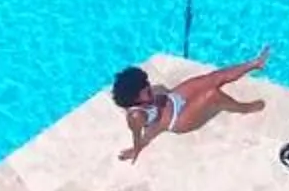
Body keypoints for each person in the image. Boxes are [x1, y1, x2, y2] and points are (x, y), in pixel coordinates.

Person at [113, 47, 271, 162]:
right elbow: (137, 134)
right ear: (134, 100)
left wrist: (161, 95)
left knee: (213, 78)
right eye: (146, 91)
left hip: (173, 98)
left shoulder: (146, 93)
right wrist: (136, 149)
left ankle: (255, 64)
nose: (150, 89)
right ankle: (245, 108)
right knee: (212, 95)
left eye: (148, 85)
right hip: (178, 120)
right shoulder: (136, 116)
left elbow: (156, 94)